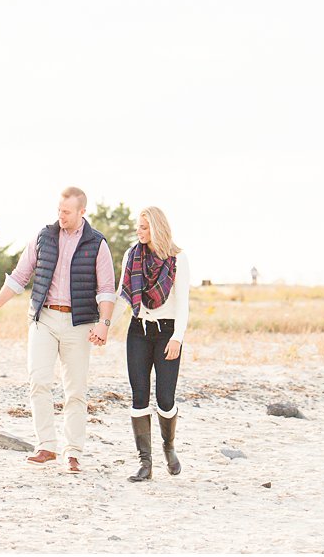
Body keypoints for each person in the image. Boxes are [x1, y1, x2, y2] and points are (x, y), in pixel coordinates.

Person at [0, 187, 115, 474]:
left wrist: (104, 325)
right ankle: (46, 446)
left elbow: (106, 290)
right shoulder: (43, 238)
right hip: (44, 319)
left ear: (82, 212)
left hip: (79, 324)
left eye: (66, 212)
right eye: (59, 210)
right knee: (39, 381)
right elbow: (19, 277)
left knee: (75, 390)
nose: (61, 216)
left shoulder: (97, 244)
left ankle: (73, 452)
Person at [117, 206, 190, 481]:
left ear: (157, 228)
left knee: (165, 400)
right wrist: (105, 325)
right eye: (138, 226)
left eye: (144, 227)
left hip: (167, 332)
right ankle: (145, 463)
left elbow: (183, 303)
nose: (139, 231)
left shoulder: (177, 259)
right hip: (138, 329)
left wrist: (178, 338)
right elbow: (122, 296)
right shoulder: (131, 255)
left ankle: (168, 446)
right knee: (138, 396)